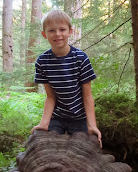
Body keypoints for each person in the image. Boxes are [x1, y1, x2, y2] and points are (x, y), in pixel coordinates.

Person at [31, 9, 102, 148]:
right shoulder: (42, 61)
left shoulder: (80, 58)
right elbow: (50, 97)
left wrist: (92, 125)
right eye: (52, 30)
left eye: (62, 29)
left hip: (79, 118)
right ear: (44, 34)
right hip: (57, 117)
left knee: (85, 150)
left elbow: (87, 96)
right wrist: (44, 124)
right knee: (44, 147)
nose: (57, 34)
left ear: (70, 31)